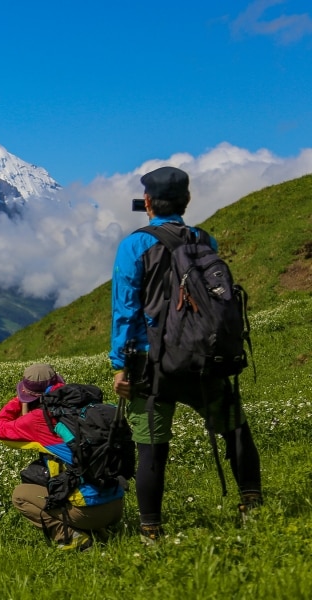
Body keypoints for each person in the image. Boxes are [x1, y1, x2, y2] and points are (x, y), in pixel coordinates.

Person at [110, 166, 263, 544]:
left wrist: (120, 366)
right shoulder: (204, 240)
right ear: (187, 200)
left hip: (153, 365)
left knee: (152, 449)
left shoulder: (134, 246)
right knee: (236, 429)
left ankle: (151, 532)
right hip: (204, 358)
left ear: (147, 202)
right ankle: (253, 508)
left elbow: (125, 311)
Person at [0, 363, 124, 551]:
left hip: (89, 512)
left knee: (20, 495)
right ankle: (100, 531)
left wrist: (20, 400)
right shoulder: (88, 406)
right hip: (117, 504)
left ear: (30, 395)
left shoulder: (39, 419)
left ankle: (71, 537)